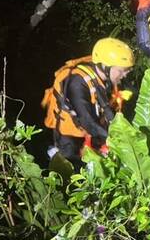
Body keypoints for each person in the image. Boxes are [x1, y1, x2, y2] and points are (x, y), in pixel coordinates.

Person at [42, 37, 134, 166]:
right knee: (72, 168)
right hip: (70, 136)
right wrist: (118, 141)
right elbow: (86, 120)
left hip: (93, 131)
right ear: (105, 67)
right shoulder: (77, 82)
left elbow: (108, 109)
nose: (124, 75)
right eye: (122, 70)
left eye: (127, 70)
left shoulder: (107, 78)